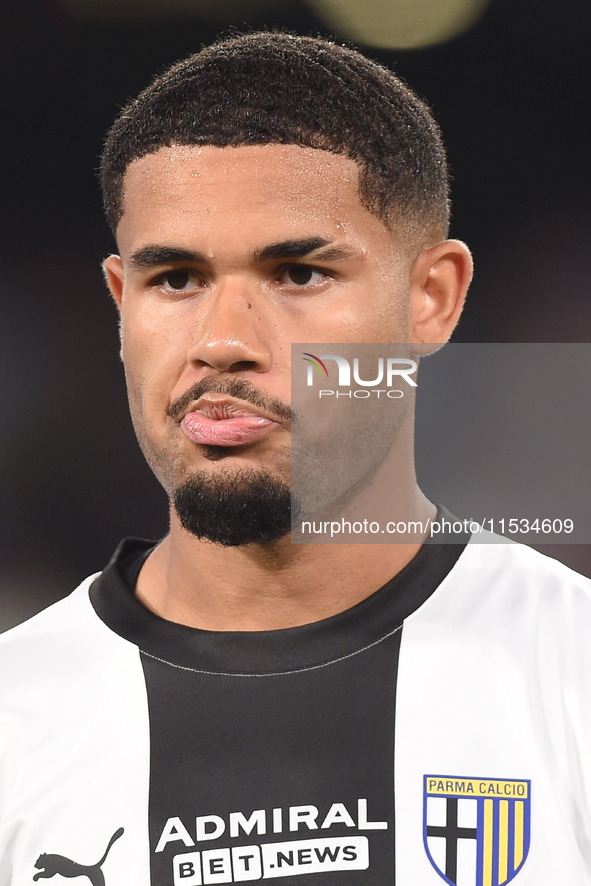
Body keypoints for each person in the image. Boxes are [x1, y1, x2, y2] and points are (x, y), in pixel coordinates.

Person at [1, 30, 590, 886]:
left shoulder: (570, 671)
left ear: (431, 299)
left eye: (298, 274)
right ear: (119, 306)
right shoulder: (16, 722)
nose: (225, 342)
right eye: (174, 280)